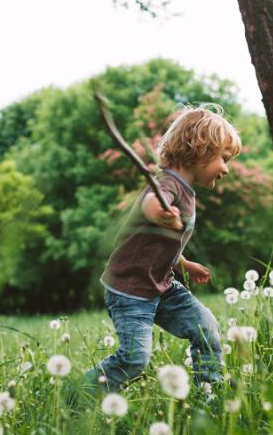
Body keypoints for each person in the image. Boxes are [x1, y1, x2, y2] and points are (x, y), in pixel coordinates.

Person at [83, 103, 242, 394]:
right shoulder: (166, 183)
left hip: (162, 286)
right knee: (134, 360)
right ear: (201, 150)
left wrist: (184, 264)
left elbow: (161, 246)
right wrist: (161, 212)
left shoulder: (187, 191)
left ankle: (211, 391)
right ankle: (81, 390)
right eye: (224, 158)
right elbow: (151, 203)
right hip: (130, 292)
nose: (226, 168)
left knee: (206, 328)